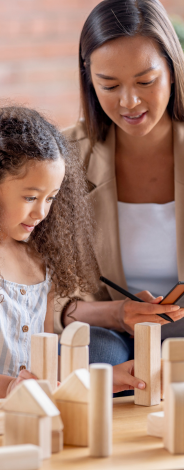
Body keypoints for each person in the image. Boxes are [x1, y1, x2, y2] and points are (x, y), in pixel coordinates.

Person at [0, 102, 145, 400]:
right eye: (31, 197)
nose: (41, 212)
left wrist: (103, 377)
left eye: (51, 198)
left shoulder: (38, 262)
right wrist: (8, 388)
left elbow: (42, 365)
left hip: (30, 418)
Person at [57, 0, 184, 366]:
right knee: (92, 359)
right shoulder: (62, 160)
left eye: (145, 81)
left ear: (173, 71)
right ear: (89, 80)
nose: (129, 102)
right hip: (105, 327)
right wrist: (117, 313)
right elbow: (43, 296)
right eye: (109, 85)